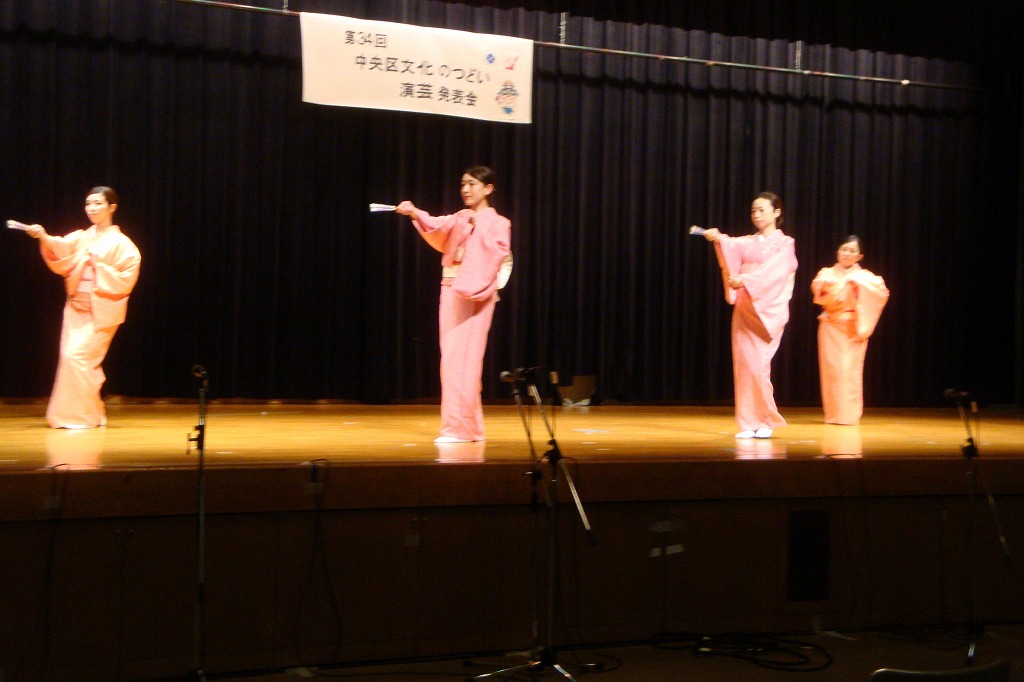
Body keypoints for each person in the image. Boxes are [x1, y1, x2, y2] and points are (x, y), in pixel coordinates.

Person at [396, 166, 511, 443]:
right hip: (452, 291)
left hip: (476, 294)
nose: (466, 189)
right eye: (463, 184)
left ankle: (462, 429)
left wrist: (477, 227)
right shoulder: (461, 217)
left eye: (472, 184)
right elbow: (437, 226)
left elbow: (498, 252)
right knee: (451, 359)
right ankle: (468, 428)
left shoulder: (498, 223)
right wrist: (414, 212)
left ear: (488, 188)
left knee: (466, 361)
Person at [24, 186, 141, 428]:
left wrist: (99, 265)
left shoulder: (123, 244)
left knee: (79, 358)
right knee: (71, 360)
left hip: (101, 312)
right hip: (76, 308)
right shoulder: (82, 237)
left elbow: (127, 276)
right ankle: (88, 413)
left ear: (112, 207)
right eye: (88, 203)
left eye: (98, 203)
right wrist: (43, 236)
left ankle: (84, 416)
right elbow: (61, 248)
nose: (91, 208)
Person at [702, 192, 798, 439]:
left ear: (777, 212)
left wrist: (745, 279)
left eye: (762, 210)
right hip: (746, 307)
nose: (757, 215)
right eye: (754, 210)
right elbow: (730, 245)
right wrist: (718, 238)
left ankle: (764, 420)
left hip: (767, 309)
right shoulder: (749, 242)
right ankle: (748, 423)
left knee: (759, 366)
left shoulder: (785, 243)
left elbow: (776, 271)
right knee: (744, 365)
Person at [810, 235, 889, 425]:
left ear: (860, 256)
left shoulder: (866, 278)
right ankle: (833, 415)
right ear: (838, 251)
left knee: (848, 371)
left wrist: (856, 285)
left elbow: (881, 293)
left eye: (852, 251)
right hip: (830, 326)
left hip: (852, 328)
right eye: (844, 249)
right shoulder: (826, 273)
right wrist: (842, 285)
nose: (847, 253)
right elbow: (820, 292)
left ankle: (848, 415)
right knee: (831, 371)